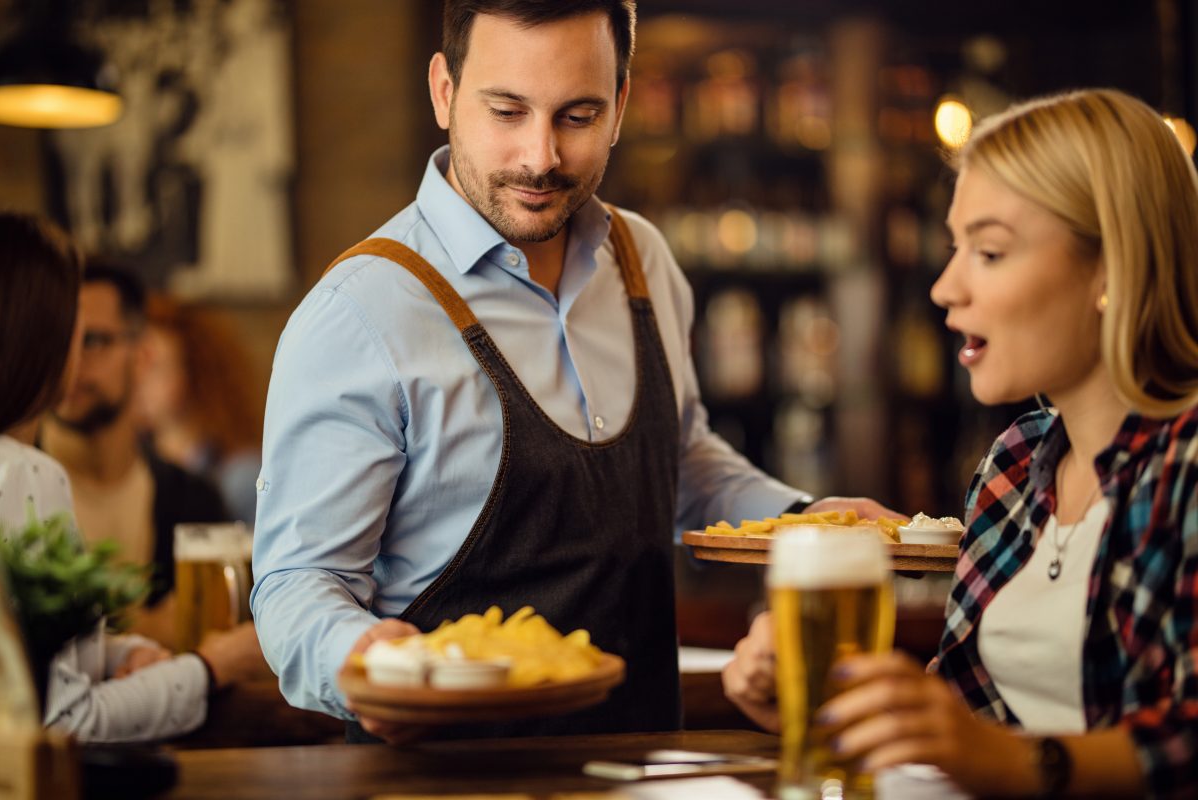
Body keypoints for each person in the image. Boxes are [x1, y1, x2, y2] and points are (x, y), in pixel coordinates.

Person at [251, 0, 894, 743]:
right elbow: (299, 585)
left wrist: (806, 523)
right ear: (444, 91)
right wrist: (362, 657)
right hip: (442, 785)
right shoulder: (361, 312)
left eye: (577, 116)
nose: (540, 157)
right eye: (507, 110)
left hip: (641, 765)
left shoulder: (641, 258)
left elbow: (678, 460)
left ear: (621, 105)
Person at [722, 88, 1198, 798]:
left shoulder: (1184, 465)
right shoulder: (1014, 465)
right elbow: (970, 722)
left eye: (991, 251)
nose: (946, 287)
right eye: (955, 248)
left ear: (1111, 267)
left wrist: (1015, 763)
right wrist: (835, 703)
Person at [0, 211, 260, 742]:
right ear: (42, 334)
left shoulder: (187, 491)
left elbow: (28, 665)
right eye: (76, 327)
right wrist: (215, 666)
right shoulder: (24, 472)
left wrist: (118, 652)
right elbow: (62, 724)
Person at [40, 263, 230, 649]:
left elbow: (224, 637)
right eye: (57, 340)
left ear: (142, 356)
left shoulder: (192, 498)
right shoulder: (15, 488)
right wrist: (146, 630)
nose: (71, 362)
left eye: (93, 341)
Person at [136, 295, 265, 526]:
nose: (138, 379)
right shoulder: (137, 469)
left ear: (196, 373)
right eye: (136, 364)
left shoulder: (239, 478)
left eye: (154, 367)